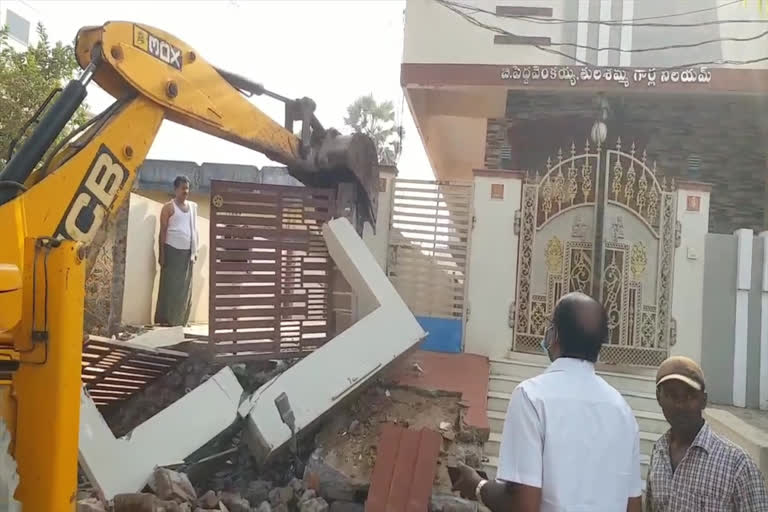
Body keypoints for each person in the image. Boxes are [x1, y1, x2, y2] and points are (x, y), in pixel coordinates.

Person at [452, 292, 642, 512]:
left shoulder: (531, 397)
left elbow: (523, 504)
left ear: (554, 335)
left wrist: (478, 485)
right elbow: (633, 505)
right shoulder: (622, 411)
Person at [645, 356, 768, 511]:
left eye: (690, 395)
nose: (680, 404)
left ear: (704, 400)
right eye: (671, 395)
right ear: (659, 398)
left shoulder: (738, 465)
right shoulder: (659, 452)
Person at [154, 175, 199, 327]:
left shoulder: (192, 208)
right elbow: (163, 231)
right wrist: (162, 254)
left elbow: (194, 230)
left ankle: (181, 320)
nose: (186, 191)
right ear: (176, 189)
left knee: (184, 289)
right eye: (183, 188)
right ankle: (165, 320)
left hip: (187, 253)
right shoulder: (168, 207)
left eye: (187, 188)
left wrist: (195, 251)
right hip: (171, 251)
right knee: (169, 287)